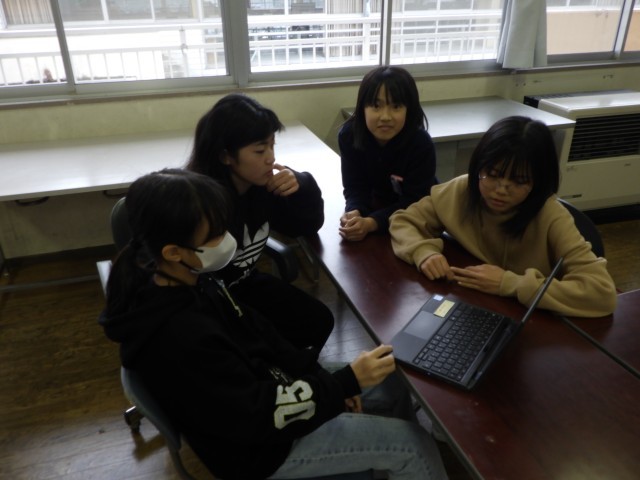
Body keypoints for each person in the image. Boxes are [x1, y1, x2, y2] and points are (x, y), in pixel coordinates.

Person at [99, 169, 449, 480]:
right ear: (173, 252)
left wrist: (329, 384)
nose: (226, 240)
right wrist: (341, 385)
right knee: (412, 445)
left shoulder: (191, 277)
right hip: (259, 450)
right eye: (215, 235)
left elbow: (260, 334)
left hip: (271, 396)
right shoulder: (178, 337)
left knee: (392, 380)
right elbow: (256, 416)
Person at [389, 116, 617, 318]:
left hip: (531, 323)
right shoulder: (463, 189)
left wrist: (511, 284)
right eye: (492, 175)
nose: (500, 190)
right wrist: (423, 253)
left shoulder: (551, 216)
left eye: (519, 181)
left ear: (538, 181)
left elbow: (601, 293)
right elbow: (404, 221)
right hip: (472, 307)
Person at [185, 93, 333, 354]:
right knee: (266, 348)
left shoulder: (262, 187)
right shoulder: (199, 203)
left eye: (272, 146)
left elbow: (305, 226)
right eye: (260, 150)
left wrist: (302, 186)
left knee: (319, 321)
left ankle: (295, 373)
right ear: (225, 156)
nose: (270, 158)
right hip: (208, 302)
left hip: (244, 285)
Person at [338, 66, 437, 242]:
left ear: (409, 109)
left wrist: (372, 223)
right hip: (379, 203)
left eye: (396, 106)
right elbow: (355, 186)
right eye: (376, 106)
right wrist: (355, 211)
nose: (385, 116)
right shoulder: (349, 136)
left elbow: (415, 201)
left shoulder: (421, 144)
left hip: (415, 215)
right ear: (362, 108)